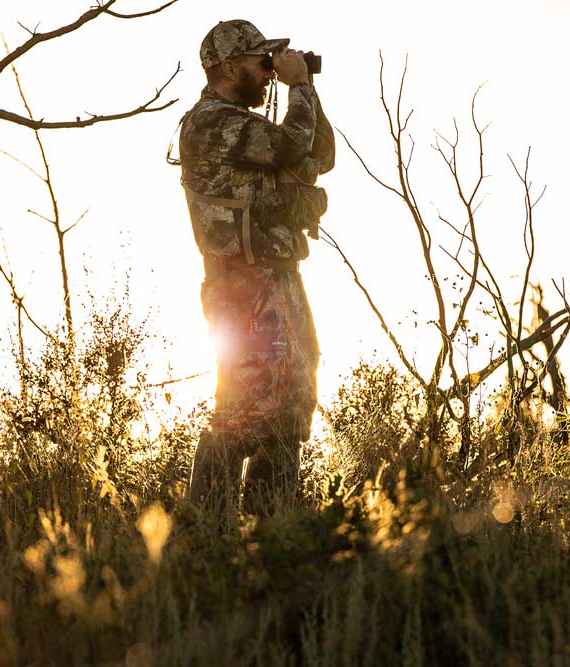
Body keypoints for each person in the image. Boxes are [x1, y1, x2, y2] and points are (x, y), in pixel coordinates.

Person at [177, 19, 335, 523]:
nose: (268, 73)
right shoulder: (210, 123)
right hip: (242, 283)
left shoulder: (248, 127)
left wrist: (307, 89)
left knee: (290, 406)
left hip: (277, 274)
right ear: (228, 67)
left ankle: (275, 538)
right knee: (245, 411)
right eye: (259, 62)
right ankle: (203, 540)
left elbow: (319, 155)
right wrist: (300, 87)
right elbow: (291, 147)